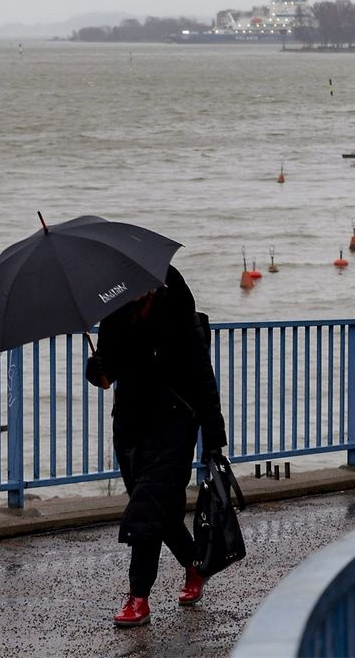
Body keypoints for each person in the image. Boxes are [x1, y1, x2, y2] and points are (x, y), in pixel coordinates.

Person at [84, 264, 227, 628]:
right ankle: (196, 563)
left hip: (175, 419)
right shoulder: (115, 311)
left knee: (147, 505)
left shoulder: (177, 303)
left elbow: (201, 371)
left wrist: (213, 436)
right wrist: (96, 368)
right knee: (157, 512)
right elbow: (106, 377)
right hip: (130, 424)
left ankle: (138, 598)